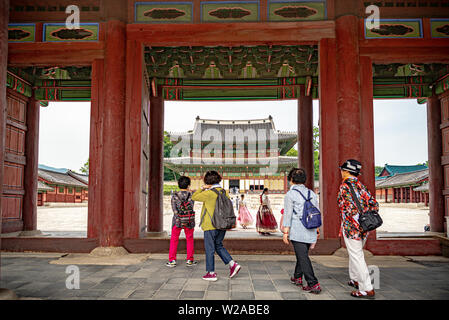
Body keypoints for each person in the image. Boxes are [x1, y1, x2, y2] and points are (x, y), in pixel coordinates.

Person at [338, 159, 379, 299]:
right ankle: (355, 278)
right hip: (365, 226)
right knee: (356, 253)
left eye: (342, 170)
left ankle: (366, 288)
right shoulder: (361, 186)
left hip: (352, 227)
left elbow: (347, 208)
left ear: (346, 171)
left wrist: (349, 222)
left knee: (357, 256)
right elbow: (374, 204)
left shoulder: (345, 186)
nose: (341, 172)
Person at [192, 170, 241, 281]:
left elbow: (194, 197)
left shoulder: (209, 193)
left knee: (210, 249)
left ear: (207, 181)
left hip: (210, 225)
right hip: (222, 224)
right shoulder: (224, 192)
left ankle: (211, 273)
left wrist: (203, 188)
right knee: (218, 245)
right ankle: (232, 264)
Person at [282, 168, 321, 294]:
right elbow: (316, 213)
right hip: (311, 229)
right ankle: (297, 277)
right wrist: (317, 230)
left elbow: (288, 215)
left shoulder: (290, 195)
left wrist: (285, 232)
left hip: (298, 230)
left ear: (291, 180)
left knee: (303, 256)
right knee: (302, 254)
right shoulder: (312, 194)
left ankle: (313, 283)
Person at [166, 176, 197, 268]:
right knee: (190, 239)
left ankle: (172, 260)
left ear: (179, 185)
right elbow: (191, 206)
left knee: (174, 239)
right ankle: (190, 260)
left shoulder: (175, 196)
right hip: (189, 220)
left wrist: (178, 218)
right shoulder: (192, 195)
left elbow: (174, 210)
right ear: (188, 185)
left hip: (177, 220)